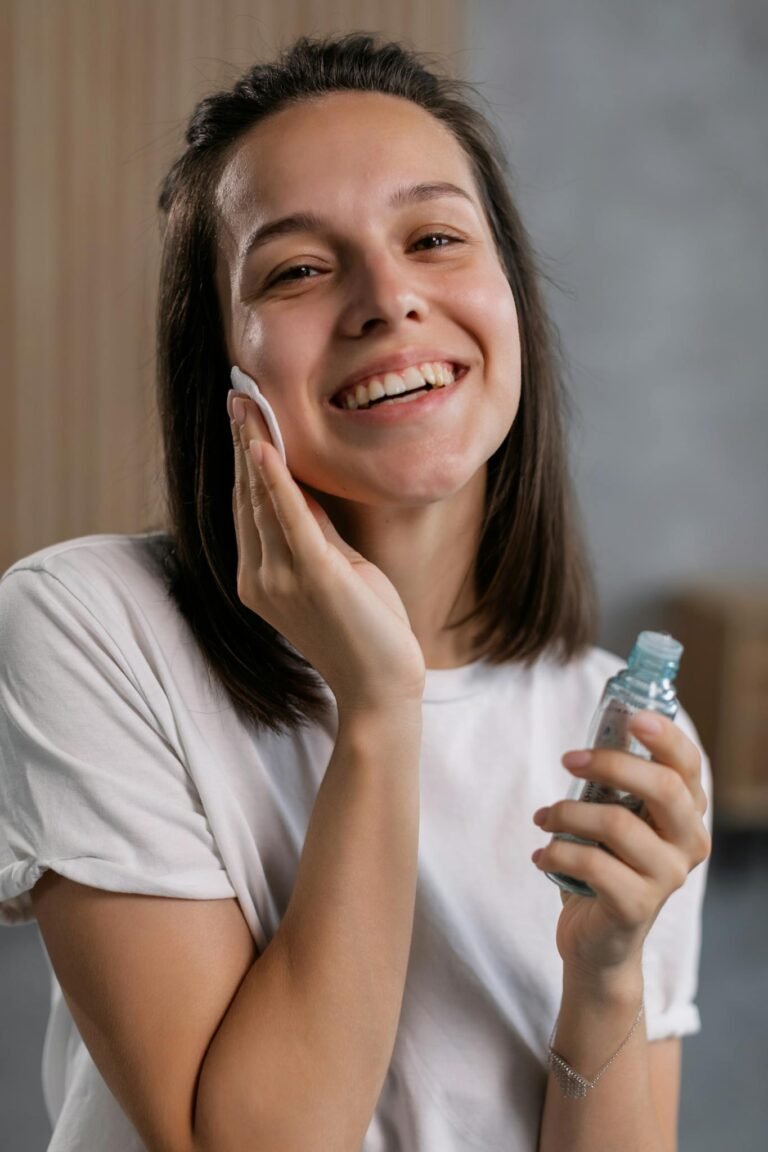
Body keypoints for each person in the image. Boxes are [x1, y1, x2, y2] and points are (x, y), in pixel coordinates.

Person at [0, 32, 712, 1152]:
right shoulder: (90, 624)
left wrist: (609, 971)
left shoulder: (613, 725)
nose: (388, 299)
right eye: (296, 269)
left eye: (433, 238)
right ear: (221, 367)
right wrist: (379, 709)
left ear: (511, 297)